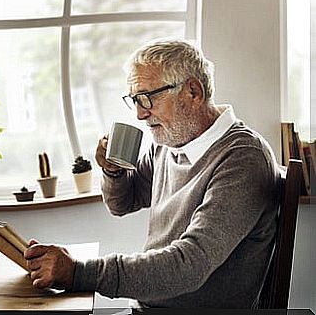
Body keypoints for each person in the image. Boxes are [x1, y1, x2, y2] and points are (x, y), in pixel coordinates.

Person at [24, 39, 280, 308]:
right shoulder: (169, 145)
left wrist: (78, 272)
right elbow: (122, 204)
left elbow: (188, 266)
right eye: (135, 100)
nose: (139, 114)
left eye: (147, 98)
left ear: (193, 92)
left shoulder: (243, 157)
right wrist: (113, 171)